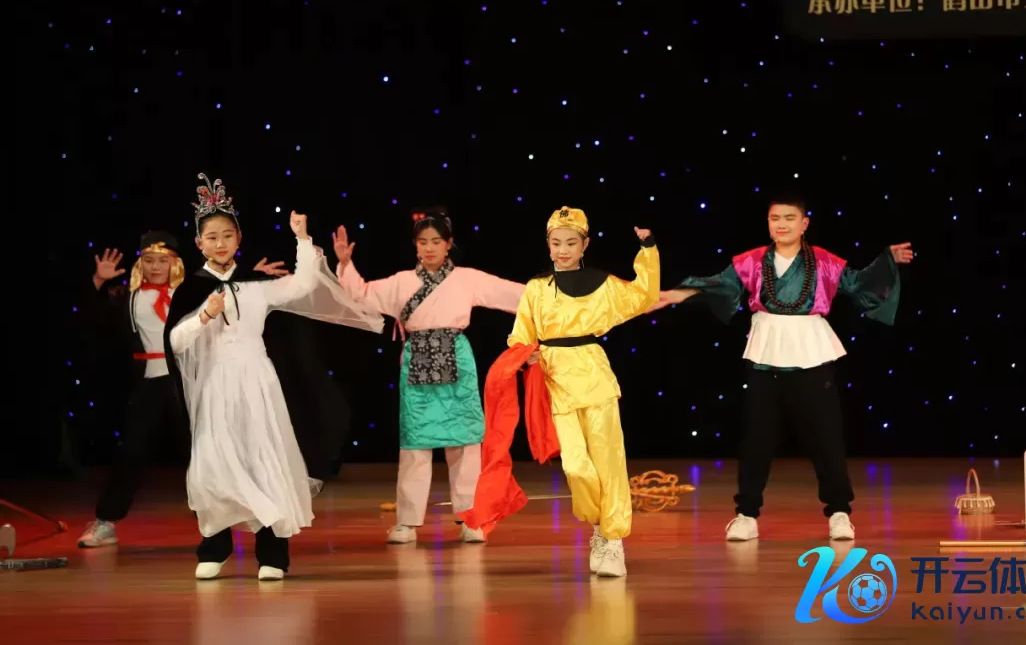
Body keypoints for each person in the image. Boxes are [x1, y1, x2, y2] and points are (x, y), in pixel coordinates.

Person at [164, 173, 384, 581]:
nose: (220, 243)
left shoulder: (256, 285)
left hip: (257, 383)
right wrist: (203, 316)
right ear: (199, 243)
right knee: (214, 463)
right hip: (215, 385)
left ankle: (272, 555)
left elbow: (302, 285)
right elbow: (175, 342)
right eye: (211, 237)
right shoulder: (192, 290)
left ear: (239, 238)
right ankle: (215, 546)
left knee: (265, 459)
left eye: (227, 235)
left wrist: (301, 238)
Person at [655, 196, 912, 542]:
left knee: (826, 438)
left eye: (790, 218)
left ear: (804, 224)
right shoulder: (752, 261)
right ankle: (746, 514)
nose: (781, 224)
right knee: (756, 439)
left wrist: (886, 261)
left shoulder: (824, 261)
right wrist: (675, 295)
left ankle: (839, 512)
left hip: (812, 353)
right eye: (775, 218)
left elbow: (859, 283)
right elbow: (719, 285)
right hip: (766, 354)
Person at [462, 206, 659, 579]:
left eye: (571, 242)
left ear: (585, 244)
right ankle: (599, 525)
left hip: (594, 375)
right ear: (548, 245)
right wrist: (526, 354)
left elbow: (643, 296)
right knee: (576, 466)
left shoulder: (602, 283)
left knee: (608, 462)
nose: (563, 250)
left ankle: (612, 539)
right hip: (554, 380)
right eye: (556, 243)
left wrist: (647, 250)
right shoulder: (538, 288)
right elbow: (521, 333)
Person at [77, 233, 286, 548]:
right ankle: (106, 521)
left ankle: (222, 522)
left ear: (174, 263)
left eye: (162, 261)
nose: (155, 267)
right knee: (133, 451)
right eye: (149, 260)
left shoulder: (190, 294)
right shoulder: (126, 297)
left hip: (187, 381)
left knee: (203, 451)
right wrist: (97, 281)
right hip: (149, 384)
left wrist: (252, 278)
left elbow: (230, 300)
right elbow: (92, 321)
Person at [332, 207, 524, 544]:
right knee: (415, 442)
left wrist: (558, 290)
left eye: (436, 241)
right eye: (423, 242)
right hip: (417, 357)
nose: (430, 248)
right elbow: (360, 294)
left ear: (449, 244)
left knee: (464, 441)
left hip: (456, 358)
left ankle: (470, 518)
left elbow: (513, 294)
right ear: (415, 246)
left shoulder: (467, 278)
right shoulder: (402, 282)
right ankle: (407, 522)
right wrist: (346, 265)